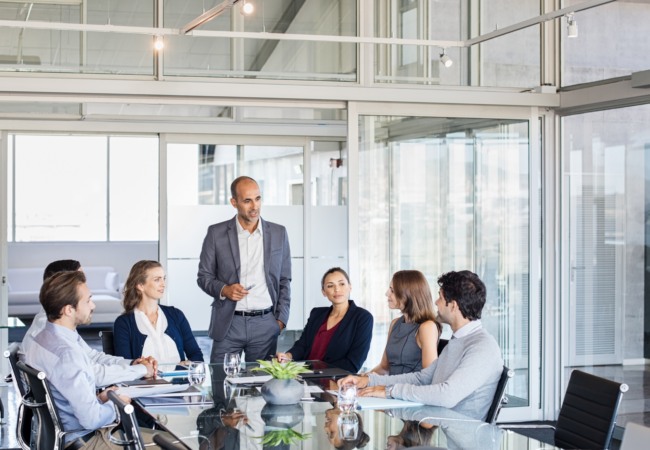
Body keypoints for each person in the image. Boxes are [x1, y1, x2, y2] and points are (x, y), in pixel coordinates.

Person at [338, 270, 503, 422]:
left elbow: (447, 395)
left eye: (440, 297)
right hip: (440, 425)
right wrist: (369, 381)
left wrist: (389, 391)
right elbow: (423, 377)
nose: (436, 302)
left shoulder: (482, 346)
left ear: (453, 306)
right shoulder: (458, 340)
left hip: (458, 438)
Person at [24, 271, 134, 449]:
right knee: (168, 441)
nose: (93, 305)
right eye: (88, 300)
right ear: (68, 309)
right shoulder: (67, 354)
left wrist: (99, 398)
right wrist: (118, 404)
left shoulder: (41, 340)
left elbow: (66, 395)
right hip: (86, 442)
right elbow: (92, 420)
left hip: (64, 437)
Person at [197, 176, 291, 364]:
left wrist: (280, 320)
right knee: (220, 384)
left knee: (260, 388)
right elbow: (203, 277)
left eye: (257, 198)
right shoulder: (216, 233)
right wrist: (225, 289)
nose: (254, 206)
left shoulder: (279, 233)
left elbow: (284, 280)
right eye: (247, 200)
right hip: (229, 323)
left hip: (265, 323)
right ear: (234, 202)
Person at [19, 259, 155, 387]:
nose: (85, 285)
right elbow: (92, 374)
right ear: (64, 286)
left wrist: (132, 363)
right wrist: (140, 370)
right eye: (80, 279)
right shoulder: (50, 332)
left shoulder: (57, 323)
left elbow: (92, 357)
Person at [276, 267, 373, 373]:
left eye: (341, 284)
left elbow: (353, 362)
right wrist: (287, 356)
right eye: (330, 286)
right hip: (305, 378)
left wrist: (316, 372)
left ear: (350, 287)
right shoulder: (317, 314)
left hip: (335, 381)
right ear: (324, 292)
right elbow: (302, 345)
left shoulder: (363, 317)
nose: (337, 289)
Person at [113, 260, 204, 364]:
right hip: (146, 381)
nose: (163, 284)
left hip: (178, 380)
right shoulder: (124, 323)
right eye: (157, 280)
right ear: (141, 285)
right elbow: (124, 365)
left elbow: (197, 356)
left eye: (164, 278)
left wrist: (186, 365)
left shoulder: (176, 315)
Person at [367, 270, 441, 375]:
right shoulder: (395, 323)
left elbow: (427, 376)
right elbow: (384, 368)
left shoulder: (427, 327)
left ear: (409, 294)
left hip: (408, 390)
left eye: (392, 291)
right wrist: (362, 378)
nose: (387, 293)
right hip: (388, 387)